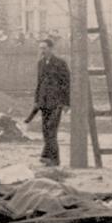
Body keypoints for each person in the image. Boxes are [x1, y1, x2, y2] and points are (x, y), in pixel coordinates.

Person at [33, 38, 70, 166]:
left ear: (51, 48)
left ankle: (54, 159)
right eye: (40, 48)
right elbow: (39, 82)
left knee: (51, 128)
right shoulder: (41, 63)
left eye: (44, 48)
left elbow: (66, 83)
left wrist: (66, 103)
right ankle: (48, 157)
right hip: (44, 101)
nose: (42, 51)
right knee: (45, 129)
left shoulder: (60, 63)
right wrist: (36, 100)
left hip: (57, 101)